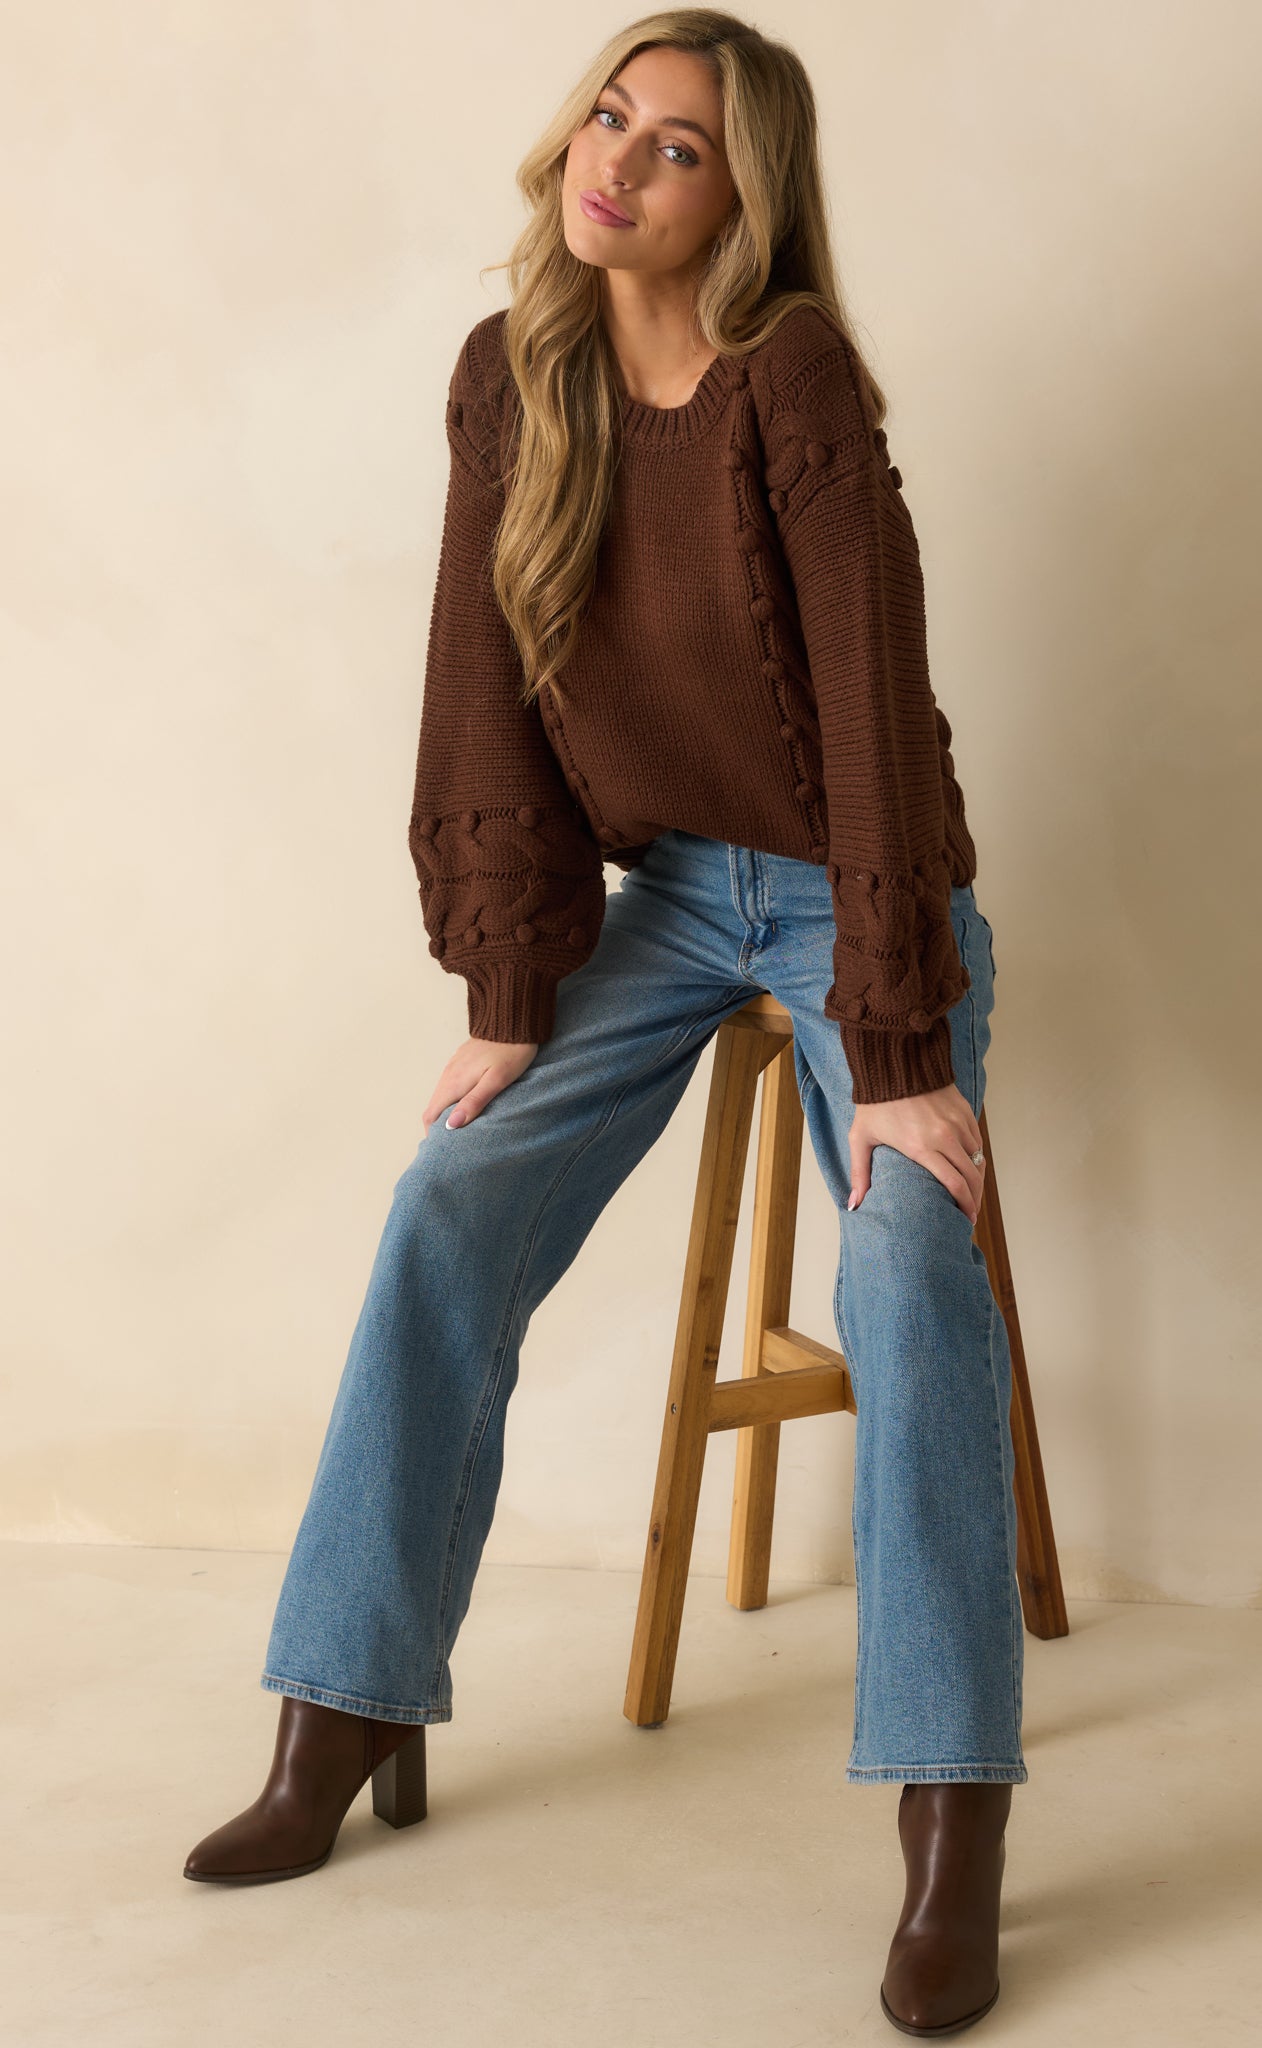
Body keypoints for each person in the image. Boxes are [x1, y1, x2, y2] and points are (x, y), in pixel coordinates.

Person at [182, 11, 1025, 2036]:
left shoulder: (786, 377)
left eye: (677, 149)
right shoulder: (512, 374)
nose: (619, 163)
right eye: (610, 118)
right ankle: (339, 1711)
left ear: (743, 203)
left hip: (855, 902)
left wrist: (897, 1050)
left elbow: (875, 717)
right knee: (444, 1195)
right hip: (661, 906)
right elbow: (476, 686)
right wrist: (509, 991)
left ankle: (949, 1821)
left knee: (907, 1266)